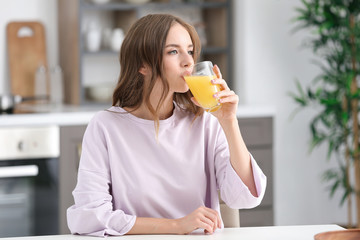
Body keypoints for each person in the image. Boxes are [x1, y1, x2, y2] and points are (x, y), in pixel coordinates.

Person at [67, 13, 266, 237]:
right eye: (173, 51)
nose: (189, 61)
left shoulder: (204, 123)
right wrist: (175, 226)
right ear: (143, 65)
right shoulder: (105, 126)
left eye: (190, 51)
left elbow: (246, 197)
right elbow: (88, 217)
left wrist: (229, 121)